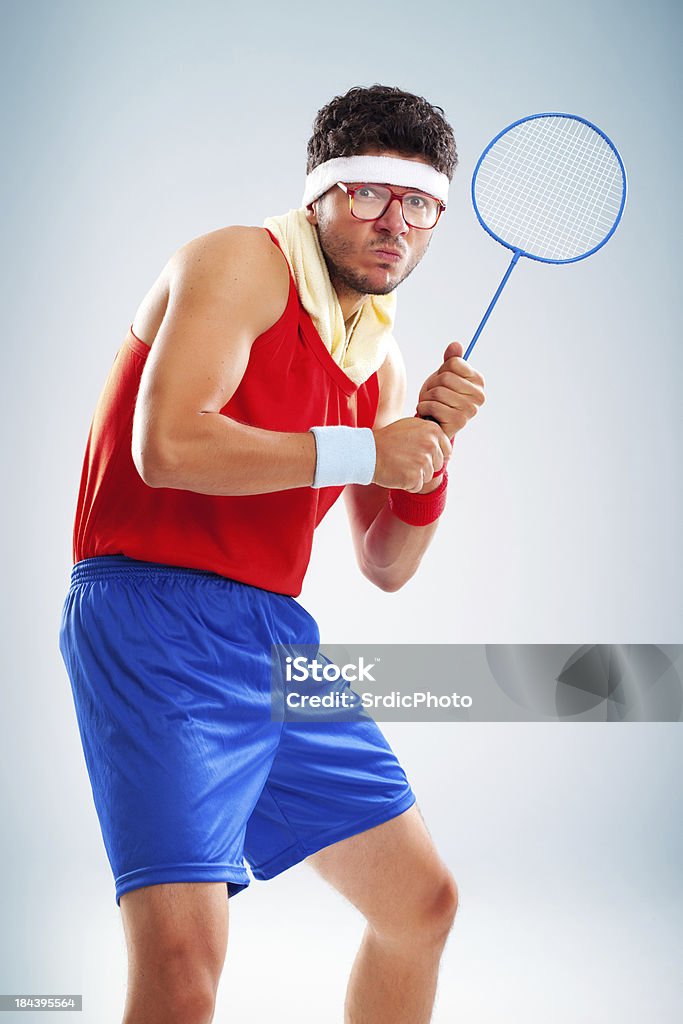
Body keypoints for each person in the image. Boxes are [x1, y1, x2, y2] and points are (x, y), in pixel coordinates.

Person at [59, 84, 486, 1024]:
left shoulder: (380, 357)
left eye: (418, 204)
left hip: (274, 635)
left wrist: (431, 455)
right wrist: (369, 450)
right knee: (183, 966)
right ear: (319, 194)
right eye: (370, 194)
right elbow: (165, 443)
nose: (394, 225)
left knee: (421, 905)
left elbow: (386, 562)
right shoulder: (239, 262)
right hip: (149, 611)